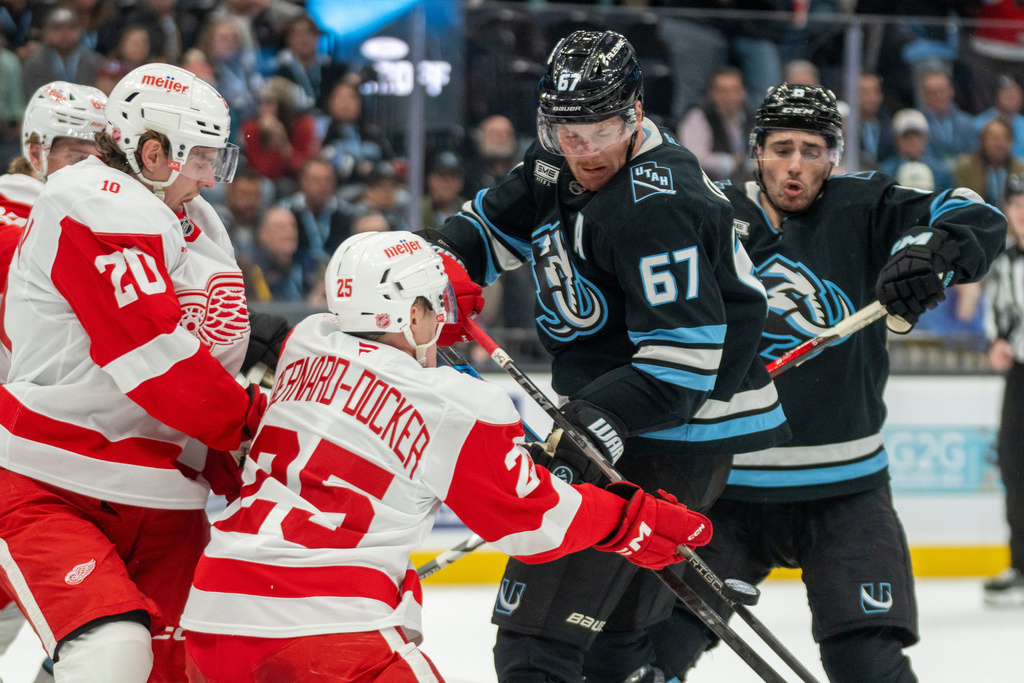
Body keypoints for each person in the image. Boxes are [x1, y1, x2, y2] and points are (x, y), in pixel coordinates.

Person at [179, 229, 715, 681]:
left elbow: (377, 368)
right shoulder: (455, 405)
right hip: (325, 630)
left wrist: (430, 320)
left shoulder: (306, 344)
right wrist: (628, 518)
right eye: (436, 306)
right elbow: (533, 522)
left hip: (211, 616)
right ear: (414, 314)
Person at [424, 30, 790, 683]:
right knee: (616, 650)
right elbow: (487, 226)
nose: (583, 151)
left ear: (636, 114)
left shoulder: (656, 202)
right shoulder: (552, 159)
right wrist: (442, 268)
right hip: (635, 411)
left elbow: (681, 363)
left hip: (677, 425)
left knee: (537, 646)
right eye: (568, 131)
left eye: (600, 130)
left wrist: (597, 418)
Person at [651, 83, 1006, 683]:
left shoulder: (862, 206)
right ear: (756, 151)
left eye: (812, 150)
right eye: (782, 148)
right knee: (654, 650)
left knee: (866, 663)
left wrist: (928, 251)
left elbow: (976, 212)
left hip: (846, 489)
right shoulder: (709, 215)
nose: (795, 165)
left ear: (834, 157)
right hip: (725, 491)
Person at [0, 63, 267, 682]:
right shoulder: (89, 200)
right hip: (56, 482)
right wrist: (254, 425)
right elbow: (155, 361)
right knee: (111, 655)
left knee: (183, 669)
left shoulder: (197, 221)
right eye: (199, 158)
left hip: (167, 500)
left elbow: (206, 348)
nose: (209, 178)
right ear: (152, 152)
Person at [0, 78, 107, 683]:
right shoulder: (18, 216)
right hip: (22, 452)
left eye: (99, 155)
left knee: (92, 624)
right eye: (72, 153)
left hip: (53, 454)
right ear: (37, 151)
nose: (86, 169)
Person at [982, 171, 1024, 606]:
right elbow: (999, 314)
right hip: (1021, 375)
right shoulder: (1006, 262)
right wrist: (997, 340)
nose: (1023, 214)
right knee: (1015, 467)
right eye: (1016, 206)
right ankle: (1021, 565)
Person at [676, 66, 753, 183]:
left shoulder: (753, 117)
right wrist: (731, 162)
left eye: (735, 90)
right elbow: (694, 157)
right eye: (723, 91)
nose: (729, 97)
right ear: (712, 93)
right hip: (708, 188)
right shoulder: (698, 116)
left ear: (744, 92)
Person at [953, 117, 1024, 208]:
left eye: (1005, 138)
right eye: (994, 138)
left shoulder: (1020, 170)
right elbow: (964, 204)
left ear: (1011, 142)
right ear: (983, 141)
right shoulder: (965, 168)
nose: (999, 144)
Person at [880, 108, 954, 191]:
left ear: (927, 137)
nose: (913, 141)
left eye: (917, 136)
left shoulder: (941, 171)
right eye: (906, 136)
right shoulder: (886, 171)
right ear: (896, 139)